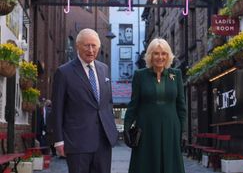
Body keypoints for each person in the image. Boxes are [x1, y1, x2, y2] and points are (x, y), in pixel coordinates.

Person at [51, 28, 118, 173]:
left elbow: (107, 103)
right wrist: (59, 140)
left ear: (98, 47)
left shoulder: (104, 69)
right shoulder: (63, 72)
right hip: (77, 143)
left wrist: (112, 129)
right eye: (86, 45)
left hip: (103, 141)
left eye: (94, 46)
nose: (91, 49)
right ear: (77, 46)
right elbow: (57, 109)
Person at [124, 38, 186, 173]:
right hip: (146, 128)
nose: (160, 57)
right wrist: (127, 127)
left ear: (168, 56)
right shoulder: (140, 75)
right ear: (150, 55)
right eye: (156, 53)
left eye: (164, 53)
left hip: (171, 128)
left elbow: (181, 107)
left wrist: (183, 132)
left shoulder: (176, 75)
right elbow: (133, 104)